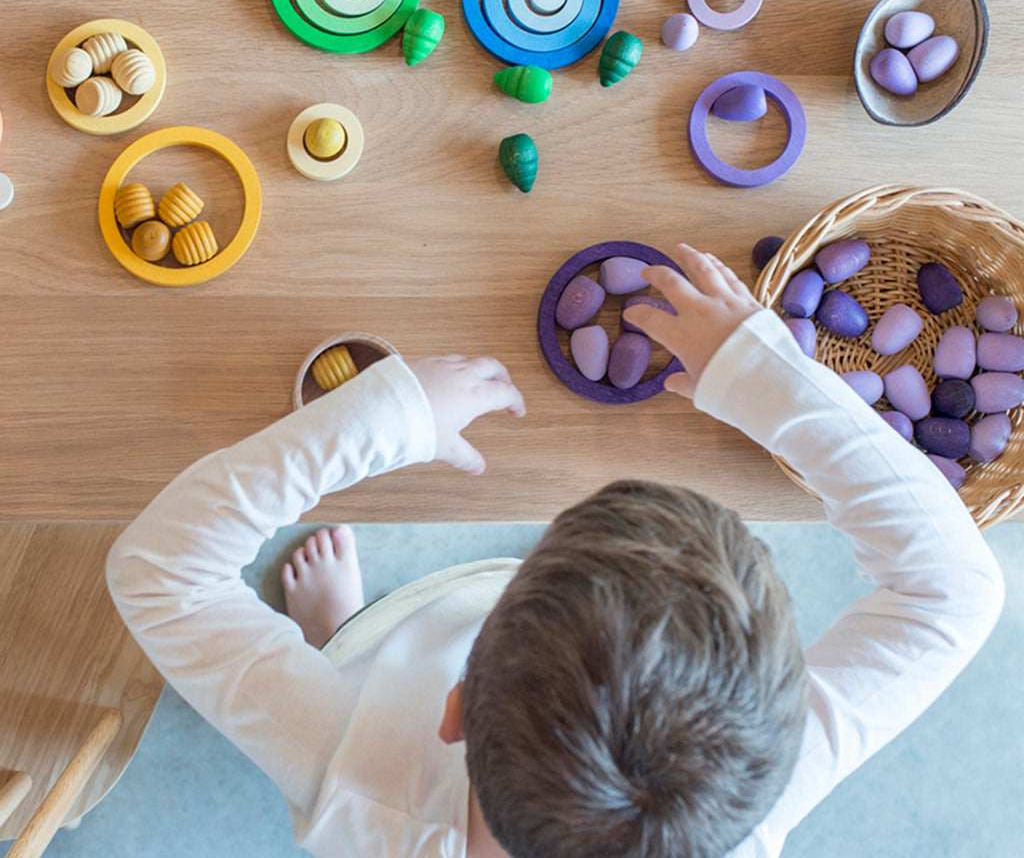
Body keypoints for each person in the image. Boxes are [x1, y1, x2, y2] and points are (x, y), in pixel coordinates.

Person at [107, 244, 1005, 858]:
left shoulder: (360, 786)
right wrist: (760, 375)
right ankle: (347, 646)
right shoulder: (744, 812)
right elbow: (954, 592)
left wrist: (383, 418)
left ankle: (347, 643)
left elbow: (160, 574)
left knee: (352, 687)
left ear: (455, 710)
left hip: (370, 718)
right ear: (777, 742)